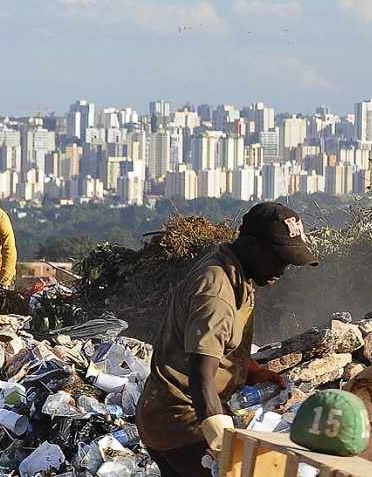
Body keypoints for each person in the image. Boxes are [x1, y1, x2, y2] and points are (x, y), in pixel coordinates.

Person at [136, 202, 318, 477]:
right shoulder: (217, 291)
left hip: (166, 414)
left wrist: (251, 372)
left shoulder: (237, 273)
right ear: (251, 244)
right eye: (278, 258)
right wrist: (222, 444)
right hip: (181, 422)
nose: (283, 269)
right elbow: (201, 374)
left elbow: (217, 347)